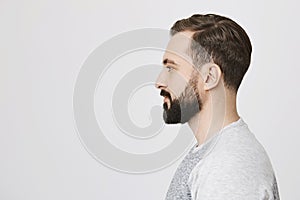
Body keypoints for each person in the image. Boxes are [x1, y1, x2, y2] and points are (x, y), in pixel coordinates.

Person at [155, 14, 280, 200]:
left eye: (172, 69)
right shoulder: (215, 154)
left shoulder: (226, 167)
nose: (159, 82)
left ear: (209, 77)